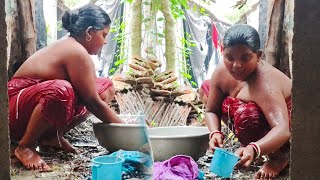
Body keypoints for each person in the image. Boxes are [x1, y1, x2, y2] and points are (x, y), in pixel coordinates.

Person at [8, 4, 124, 172]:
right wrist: (127, 128)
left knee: (104, 86)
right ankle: (25, 146)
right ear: (89, 32)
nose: (105, 41)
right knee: (61, 90)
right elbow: (92, 103)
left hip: (29, 106)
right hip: (14, 108)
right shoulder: (75, 50)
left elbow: (92, 95)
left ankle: (50, 136)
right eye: (103, 35)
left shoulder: (77, 48)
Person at [205, 24, 292, 179]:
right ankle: (254, 145)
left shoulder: (265, 81)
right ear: (222, 52)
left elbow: (283, 129)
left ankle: (279, 156)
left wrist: (254, 148)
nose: (236, 66)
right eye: (229, 58)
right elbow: (212, 110)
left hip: (288, 130)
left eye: (245, 58)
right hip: (265, 124)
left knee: (246, 114)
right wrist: (215, 133)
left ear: (258, 56)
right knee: (212, 93)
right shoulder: (220, 73)